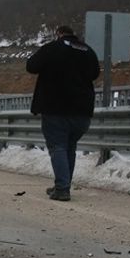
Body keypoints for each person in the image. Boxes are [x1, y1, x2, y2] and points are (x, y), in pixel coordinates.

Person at [26, 25, 101, 201]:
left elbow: (31, 66)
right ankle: (63, 184)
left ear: (58, 34)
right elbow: (95, 73)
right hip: (82, 111)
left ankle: (62, 188)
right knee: (69, 147)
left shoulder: (52, 48)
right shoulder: (87, 50)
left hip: (55, 108)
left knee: (58, 146)